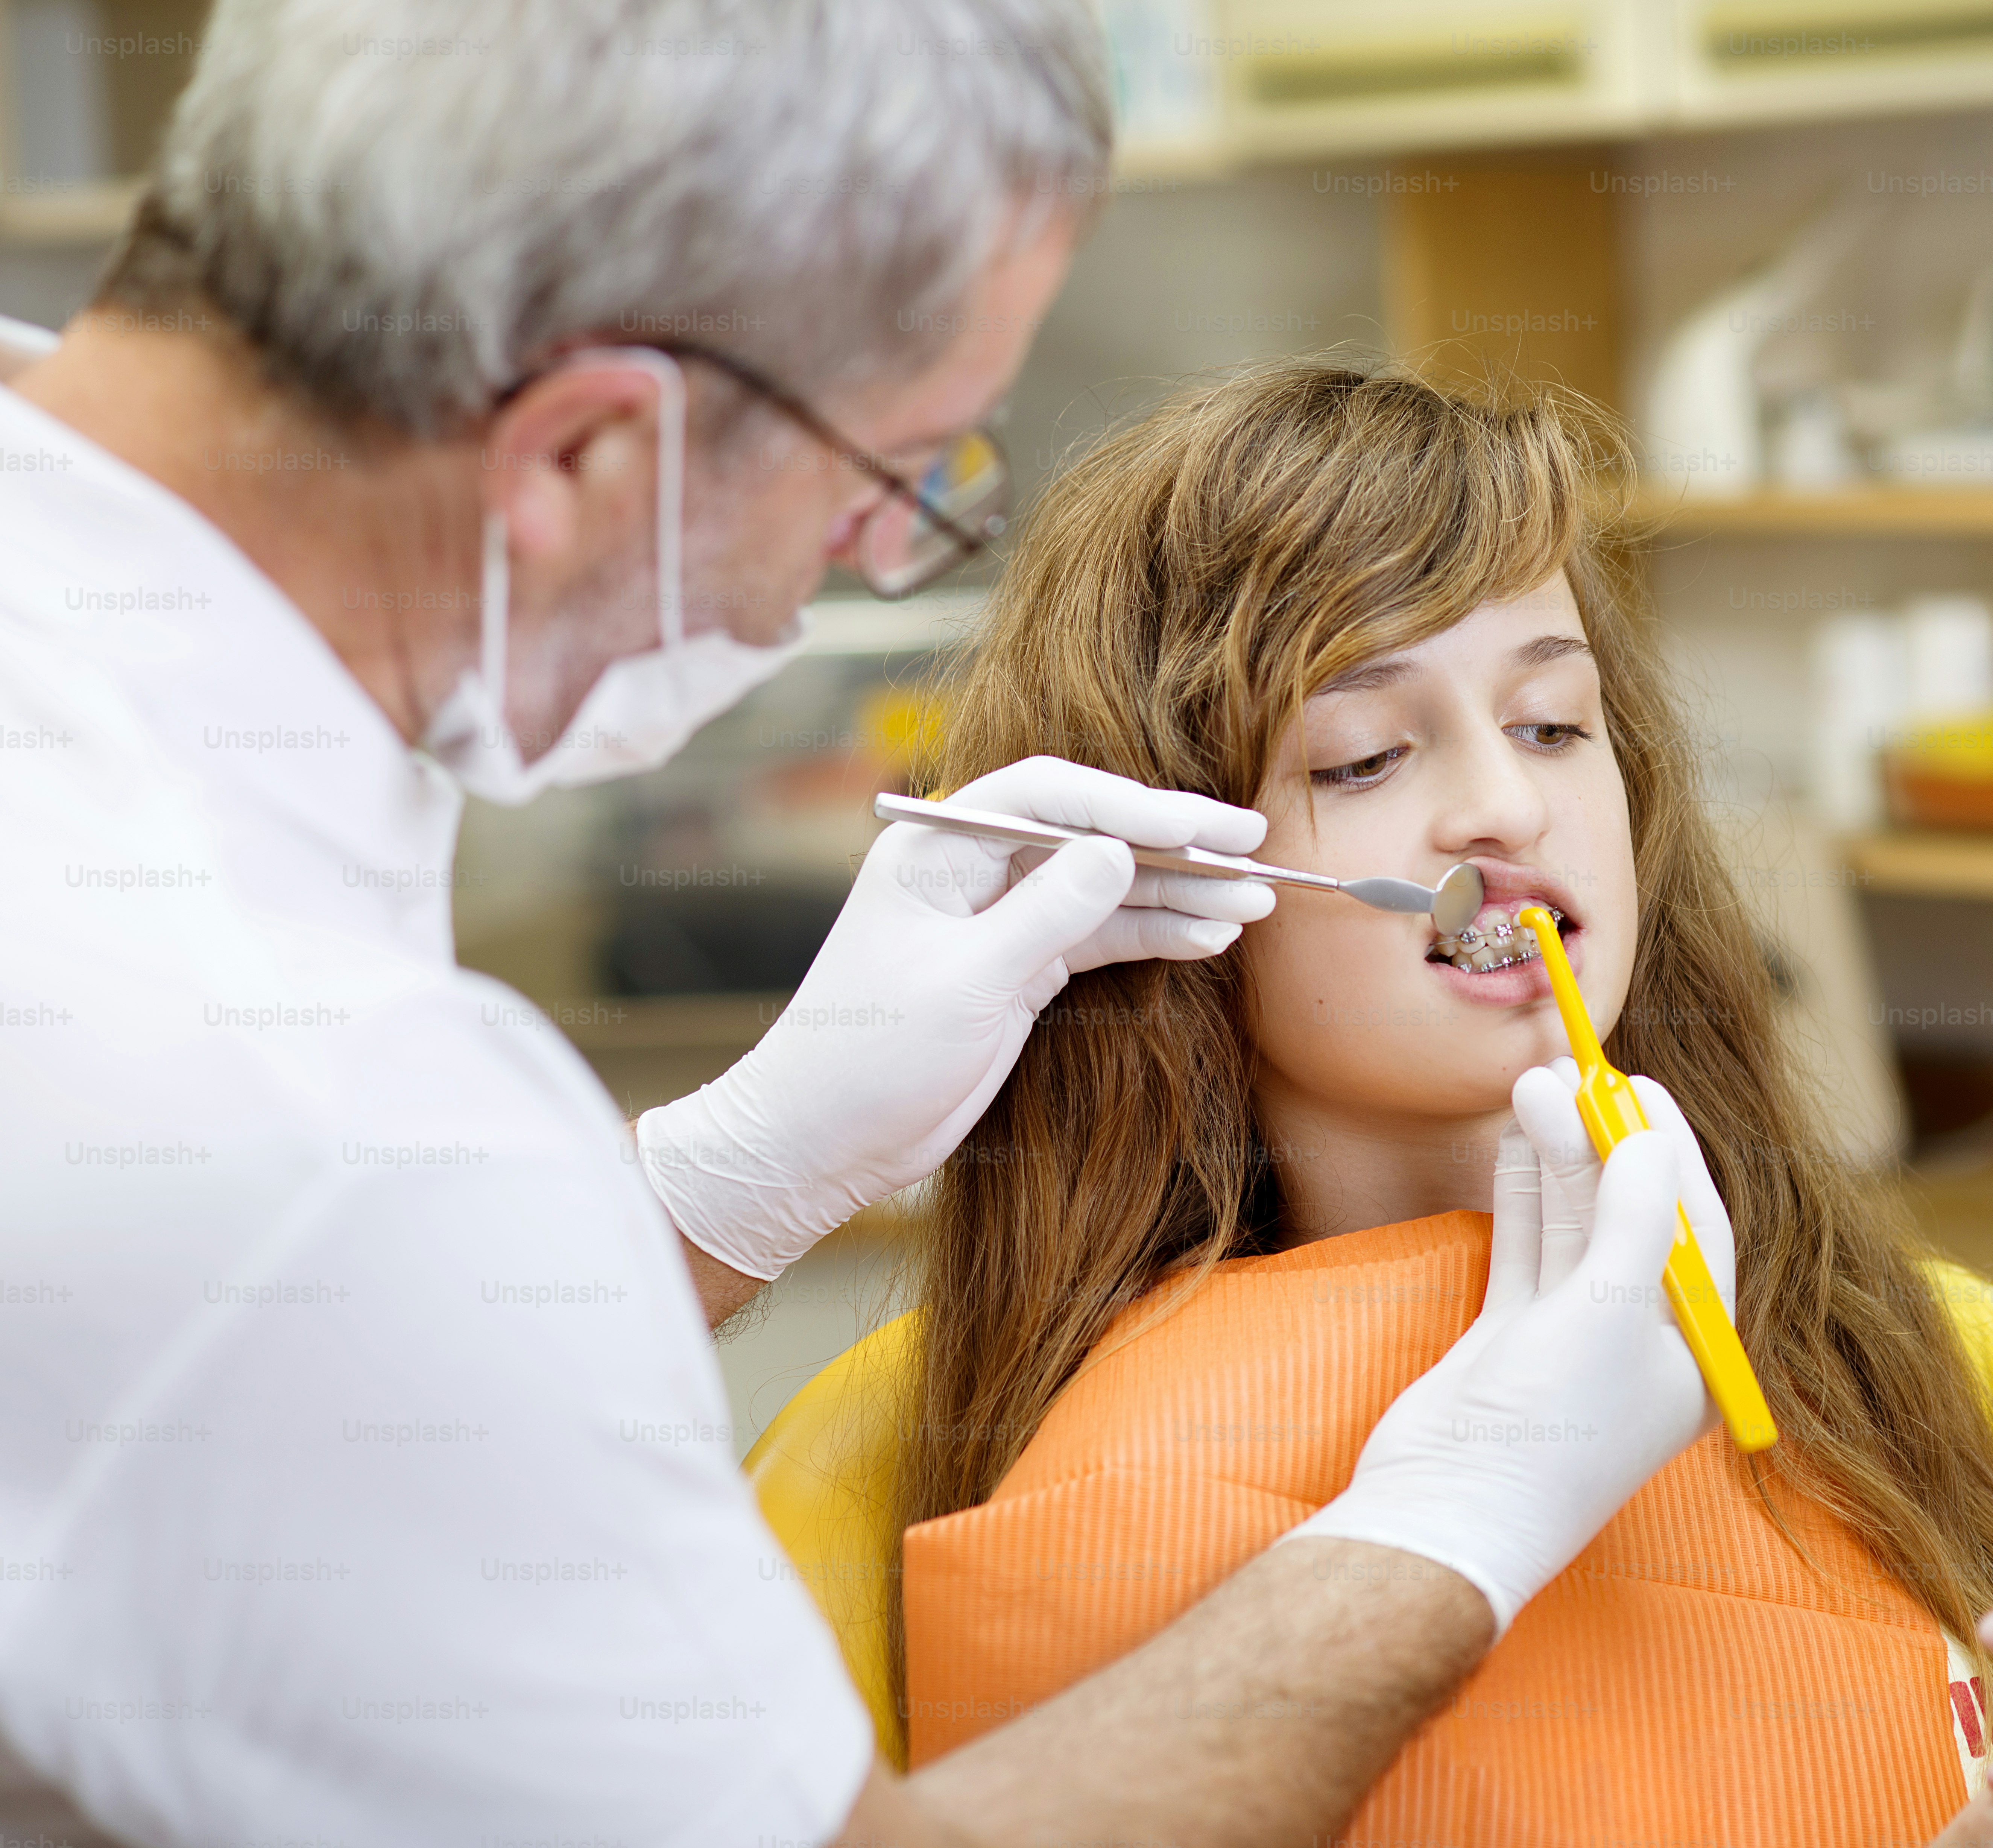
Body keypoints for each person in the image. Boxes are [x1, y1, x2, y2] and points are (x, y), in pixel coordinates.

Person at [0, 6, 1729, 1845]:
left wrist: (720, 1186)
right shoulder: (283, 1109)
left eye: (1556, 724)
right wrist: (1449, 1529)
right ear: (588, 453)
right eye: (887, 484)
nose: (862, 564)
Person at [849, 358, 1993, 1846]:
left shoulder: (1909, 1363)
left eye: (1552, 724)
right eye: (1364, 752)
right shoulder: (1125, 1485)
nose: (1507, 808)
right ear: (1155, 877)